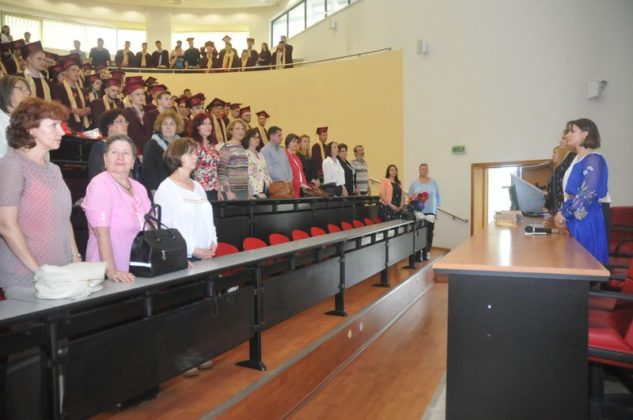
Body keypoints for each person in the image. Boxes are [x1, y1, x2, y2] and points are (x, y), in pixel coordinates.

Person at [0, 98, 81, 290]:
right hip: (26, 276)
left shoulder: (53, 169)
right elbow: (5, 226)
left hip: (61, 272)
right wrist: (39, 271)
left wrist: (75, 257)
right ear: (31, 129)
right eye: (53, 125)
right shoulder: (12, 165)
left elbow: (63, 219)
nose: (62, 132)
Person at [82, 135, 152, 283]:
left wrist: (171, 258)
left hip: (139, 270)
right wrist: (111, 270)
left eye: (126, 153)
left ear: (133, 161)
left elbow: (153, 227)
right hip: (108, 274)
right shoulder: (99, 184)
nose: (120, 157)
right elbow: (101, 233)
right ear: (105, 158)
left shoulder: (139, 188)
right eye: (114, 152)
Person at [555, 118, 609, 264]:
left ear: (585, 134)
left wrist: (564, 214)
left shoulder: (594, 159)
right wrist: (561, 212)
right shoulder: (577, 159)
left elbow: (586, 195)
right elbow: (569, 194)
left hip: (586, 219)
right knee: (571, 263)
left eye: (572, 131)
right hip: (574, 217)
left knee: (585, 264)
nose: (568, 134)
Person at [141, 109, 183, 196]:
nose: (168, 127)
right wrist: (154, 192)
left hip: (180, 189)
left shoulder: (181, 145)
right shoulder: (152, 144)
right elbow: (148, 170)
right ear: (160, 127)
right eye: (165, 124)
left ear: (177, 127)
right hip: (160, 190)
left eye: (172, 124)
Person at [408, 163, 441, 261]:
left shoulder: (433, 183)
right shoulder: (414, 183)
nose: (424, 171)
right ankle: (418, 253)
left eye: (426, 169)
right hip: (419, 212)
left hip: (430, 211)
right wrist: (414, 204)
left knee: (429, 232)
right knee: (419, 233)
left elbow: (438, 197)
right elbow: (410, 197)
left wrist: (436, 210)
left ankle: (427, 252)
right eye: (422, 169)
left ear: (428, 170)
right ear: (419, 170)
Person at [87, 109, 129, 180]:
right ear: (109, 126)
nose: (125, 125)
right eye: (120, 121)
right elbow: (97, 176)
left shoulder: (128, 149)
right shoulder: (100, 147)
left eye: (126, 122)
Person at [53, 55, 90, 132]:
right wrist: (74, 110)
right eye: (73, 70)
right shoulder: (58, 88)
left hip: (82, 127)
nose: (76, 73)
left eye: (78, 71)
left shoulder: (83, 91)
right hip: (66, 126)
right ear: (66, 72)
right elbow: (57, 106)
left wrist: (87, 110)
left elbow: (89, 105)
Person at [545, 126, 576, 215]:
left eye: (563, 138)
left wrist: (564, 211)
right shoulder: (567, 159)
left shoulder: (573, 158)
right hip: (561, 210)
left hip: (567, 209)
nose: (560, 141)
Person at [189, 112, 220, 201]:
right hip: (199, 188)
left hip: (214, 189)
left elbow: (215, 169)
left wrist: (219, 189)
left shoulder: (212, 145)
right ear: (197, 126)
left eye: (210, 123)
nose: (208, 126)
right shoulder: (193, 144)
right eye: (204, 124)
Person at [0, 75, 31, 158]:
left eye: (28, 90)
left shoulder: (25, 118)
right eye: (21, 88)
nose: (28, 93)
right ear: (5, 90)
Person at [218, 119, 249, 200]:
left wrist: (249, 191)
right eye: (237, 129)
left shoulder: (243, 149)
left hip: (244, 191)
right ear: (231, 131)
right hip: (231, 193)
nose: (241, 131)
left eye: (243, 129)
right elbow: (221, 172)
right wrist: (227, 192)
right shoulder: (226, 147)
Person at [122, 76, 153, 156]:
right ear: (130, 97)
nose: (141, 97)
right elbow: (129, 135)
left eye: (142, 94)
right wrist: (138, 153)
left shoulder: (149, 112)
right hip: (134, 152)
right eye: (137, 94)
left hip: (149, 151)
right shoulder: (126, 113)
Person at [243, 128, 271, 198]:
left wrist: (271, 187)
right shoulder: (245, 154)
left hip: (266, 189)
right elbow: (248, 175)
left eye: (258, 137)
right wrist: (256, 192)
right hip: (255, 191)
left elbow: (266, 172)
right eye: (254, 137)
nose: (257, 139)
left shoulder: (260, 154)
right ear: (248, 139)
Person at [285, 133, 312, 197]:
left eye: (297, 142)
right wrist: (300, 184)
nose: (296, 144)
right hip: (290, 189)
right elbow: (287, 176)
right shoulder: (285, 156)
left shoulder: (297, 158)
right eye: (293, 142)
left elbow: (302, 173)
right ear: (288, 143)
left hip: (300, 189)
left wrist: (305, 185)